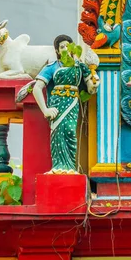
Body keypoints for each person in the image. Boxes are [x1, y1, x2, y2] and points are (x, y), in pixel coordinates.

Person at [32, 35, 99, 174]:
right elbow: (37, 88)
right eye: (61, 47)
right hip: (57, 104)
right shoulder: (52, 67)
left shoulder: (80, 66)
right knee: (57, 134)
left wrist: (95, 83)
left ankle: (70, 167)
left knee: (70, 131)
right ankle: (58, 167)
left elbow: (90, 88)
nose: (65, 49)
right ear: (57, 51)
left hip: (72, 102)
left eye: (67, 46)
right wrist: (45, 110)